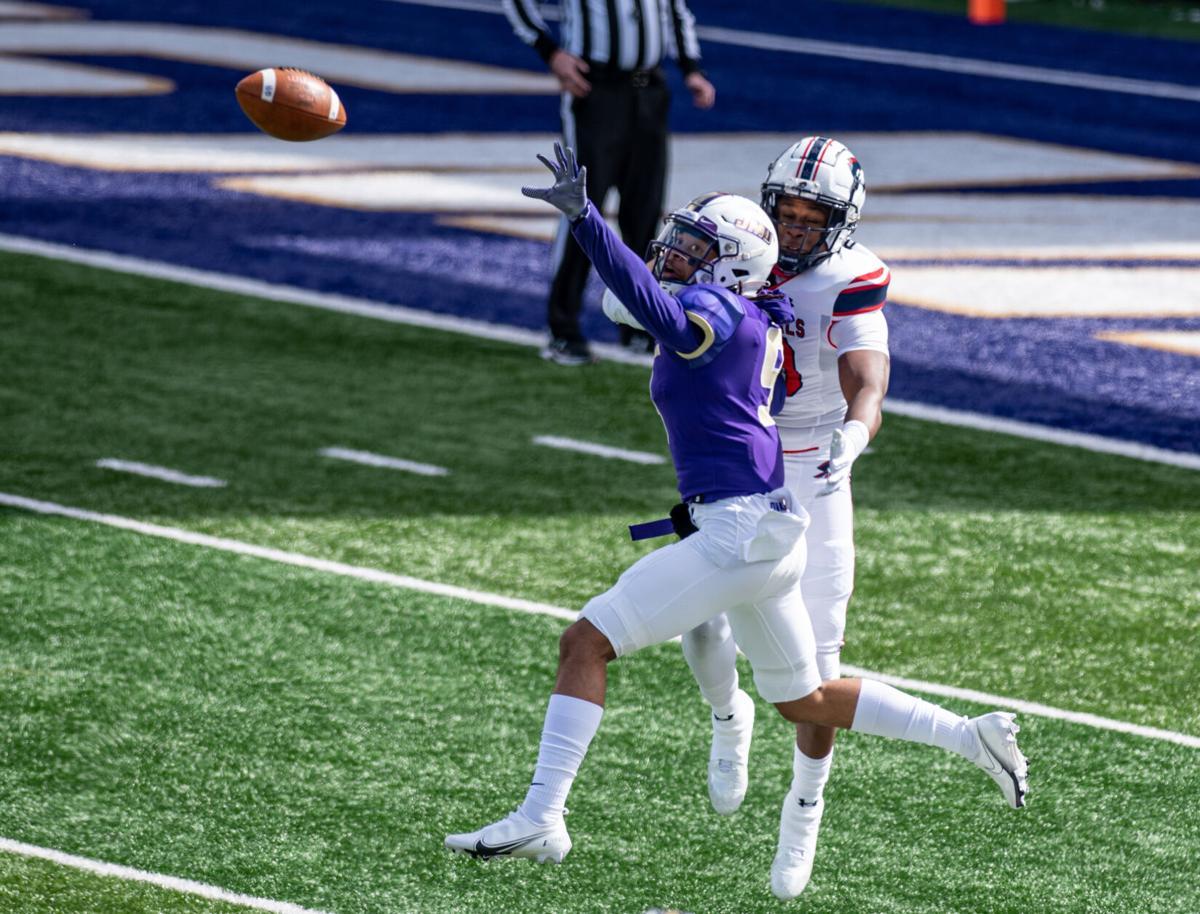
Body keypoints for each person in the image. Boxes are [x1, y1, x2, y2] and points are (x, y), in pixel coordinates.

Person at [444, 145, 1028, 900]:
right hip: (763, 524)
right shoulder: (752, 307)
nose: (678, 252)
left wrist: (587, 222)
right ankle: (964, 734)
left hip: (761, 515)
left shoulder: (721, 311)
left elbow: (661, 309)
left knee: (585, 641)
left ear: (728, 266)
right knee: (805, 698)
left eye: (694, 247)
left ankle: (542, 816)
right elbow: (660, 304)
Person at [612, 136, 894, 897]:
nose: (797, 229)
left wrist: (855, 434)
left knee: (820, 671)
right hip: (751, 461)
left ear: (842, 222)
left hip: (820, 464)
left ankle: (804, 812)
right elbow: (660, 287)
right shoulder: (741, 246)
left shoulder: (853, 277)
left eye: (813, 217)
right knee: (704, 628)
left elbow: (869, 376)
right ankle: (725, 716)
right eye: (789, 214)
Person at [502, 0, 716, 365]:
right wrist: (550, 52)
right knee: (581, 210)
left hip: (649, 90)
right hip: (595, 89)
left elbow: (675, 10)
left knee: (645, 215)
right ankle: (563, 329)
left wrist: (690, 68)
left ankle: (640, 324)